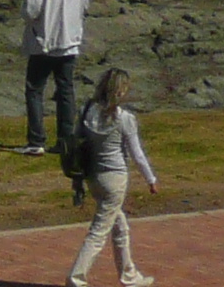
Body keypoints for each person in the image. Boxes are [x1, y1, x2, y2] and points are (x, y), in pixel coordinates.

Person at [65, 67, 159, 287]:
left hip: (93, 176)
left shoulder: (87, 110)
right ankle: (76, 278)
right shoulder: (124, 118)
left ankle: (130, 275)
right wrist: (151, 179)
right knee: (99, 231)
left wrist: (77, 180)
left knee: (120, 225)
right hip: (115, 179)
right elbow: (137, 153)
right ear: (120, 91)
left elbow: (77, 144)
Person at [20, 0, 88, 156]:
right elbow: (84, 6)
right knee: (66, 91)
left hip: (44, 44)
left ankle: (36, 141)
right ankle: (65, 141)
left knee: (34, 90)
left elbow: (29, 13)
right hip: (69, 43)